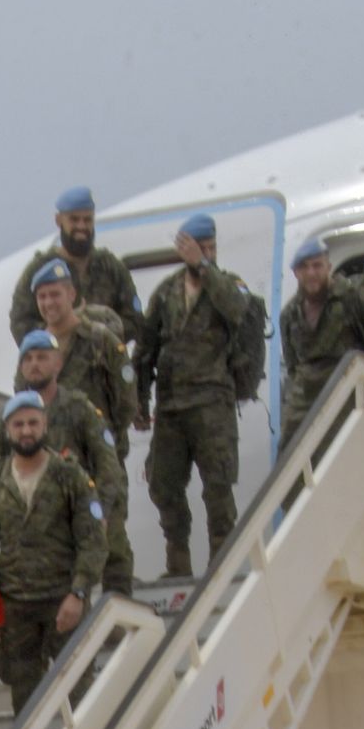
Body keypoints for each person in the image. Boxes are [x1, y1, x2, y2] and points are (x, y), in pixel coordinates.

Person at [0, 392, 105, 715]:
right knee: (26, 705)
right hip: (15, 607)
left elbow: (92, 540)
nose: (26, 430)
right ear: (7, 430)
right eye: (18, 424)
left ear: (44, 425)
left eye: (32, 422)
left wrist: (79, 592)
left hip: (63, 601)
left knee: (80, 693)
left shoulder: (69, 475)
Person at [134, 211, 255, 576]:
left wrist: (204, 267)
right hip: (171, 406)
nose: (204, 254)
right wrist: (139, 400)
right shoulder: (167, 292)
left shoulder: (228, 285)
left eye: (210, 248)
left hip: (212, 403)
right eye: (196, 248)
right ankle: (178, 562)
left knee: (218, 488)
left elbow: (237, 310)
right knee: (164, 485)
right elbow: (145, 349)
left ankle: (222, 565)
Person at [0, 329, 134, 596]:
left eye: (42, 357)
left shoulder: (79, 408)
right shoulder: (11, 417)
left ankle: (121, 625)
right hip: (40, 513)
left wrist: (99, 511)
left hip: (84, 502)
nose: (34, 364)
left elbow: (107, 464)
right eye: (28, 359)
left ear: (57, 363)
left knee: (114, 555)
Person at [278, 237, 364, 455]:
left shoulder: (355, 298)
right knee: (290, 456)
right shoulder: (289, 314)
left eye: (317, 265)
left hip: (351, 393)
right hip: (305, 402)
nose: (311, 273)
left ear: (328, 267)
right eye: (304, 267)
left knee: (351, 458)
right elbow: (293, 366)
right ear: (295, 273)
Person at [29, 257, 137, 460]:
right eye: (42, 297)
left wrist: (109, 432)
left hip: (97, 456)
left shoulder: (99, 338)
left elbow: (127, 393)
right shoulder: (33, 348)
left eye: (55, 294)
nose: (48, 303)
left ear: (71, 295)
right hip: (51, 460)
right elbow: (25, 398)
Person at [8, 184, 143, 345]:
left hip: (104, 363)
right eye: (74, 220)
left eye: (87, 220)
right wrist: (61, 330)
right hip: (58, 365)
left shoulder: (111, 267)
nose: (81, 226)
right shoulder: (40, 268)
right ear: (59, 221)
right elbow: (20, 323)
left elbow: (134, 320)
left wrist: (98, 331)